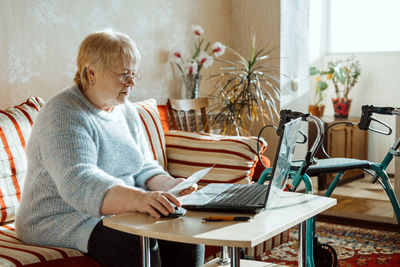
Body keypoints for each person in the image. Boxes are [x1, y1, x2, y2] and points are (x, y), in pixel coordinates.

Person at [15, 29, 205, 267]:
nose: (132, 83)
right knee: (133, 244)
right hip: (59, 217)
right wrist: (139, 200)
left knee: (185, 232)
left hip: (115, 210)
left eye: (134, 74)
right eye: (124, 75)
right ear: (91, 72)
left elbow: (143, 165)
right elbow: (79, 181)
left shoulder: (124, 109)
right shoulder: (63, 113)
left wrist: (172, 187)